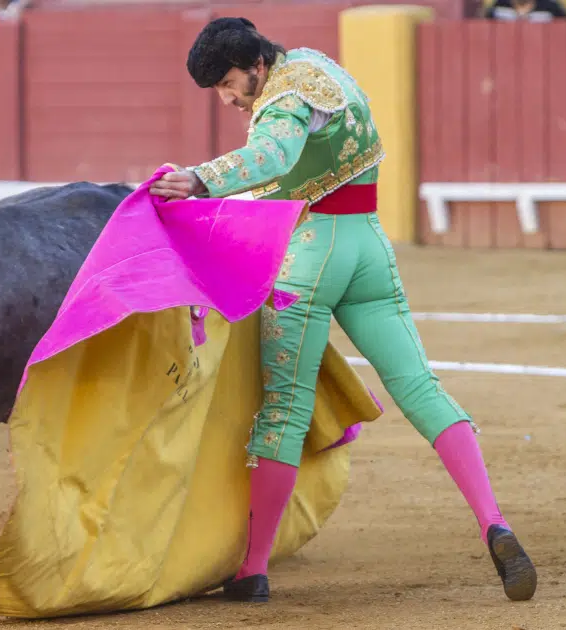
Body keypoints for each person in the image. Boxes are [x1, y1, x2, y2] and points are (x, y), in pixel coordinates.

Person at [148, 17, 537, 604]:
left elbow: (273, 156)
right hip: (370, 249)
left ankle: (253, 569)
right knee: (421, 388)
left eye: (230, 83)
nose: (228, 98)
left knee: (284, 409)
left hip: (309, 257)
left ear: (257, 65)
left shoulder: (282, 97)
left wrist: (200, 180)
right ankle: (494, 522)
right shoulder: (318, 66)